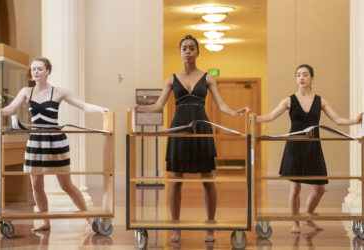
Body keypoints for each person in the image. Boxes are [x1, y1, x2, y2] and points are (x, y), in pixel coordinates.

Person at [133, 35, 248, 242]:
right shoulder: (171, 79)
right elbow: (158, 106)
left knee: (208, 179)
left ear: (197, 52)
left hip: (201, 128)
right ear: (180, 52)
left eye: (192, 48)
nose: (188, 51)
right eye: (184, 48)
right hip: (179, 128)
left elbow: (221, 105)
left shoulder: (208, 78)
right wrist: (140, 108)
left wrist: (234, 113)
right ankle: (176, 228)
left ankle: (210, 228)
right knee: (176, 180)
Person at [0, 57, 108, 231]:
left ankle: (88, 218)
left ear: (47, 71)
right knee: (36, 185)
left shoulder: (59, 92)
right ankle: (45, 222)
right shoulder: (26, 91)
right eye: (33, 69)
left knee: (66, 185)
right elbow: (11, 108)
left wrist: (100, 109)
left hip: (55, 141)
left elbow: (82, 105)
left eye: (39, 69)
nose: (35, 72)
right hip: (35, 141)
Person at [256, 64, 363, 234]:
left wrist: (355, 121)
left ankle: (308, 215)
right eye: (298, 75)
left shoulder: (320, 101)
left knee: (320, 188)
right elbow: (269, 117)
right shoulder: (289, 100)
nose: (301, 78)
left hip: (313, 146)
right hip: (295, 146)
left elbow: (337, 120)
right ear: (296, 78)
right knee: (295, 187)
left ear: (312, 78)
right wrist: (254, 117)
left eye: (305, 74)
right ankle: (295, 222)